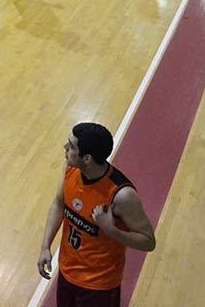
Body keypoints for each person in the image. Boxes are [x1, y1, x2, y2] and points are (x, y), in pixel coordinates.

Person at [37, 123, 156, 307]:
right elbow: (59, 204)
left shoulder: (122, 195)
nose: (65, 147)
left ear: (87, 159)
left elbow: (148, 241)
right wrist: (46, 246)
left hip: (99, 285)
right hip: (67, 272)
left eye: (71, 145)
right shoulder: (71, 169)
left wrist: (111, 230)